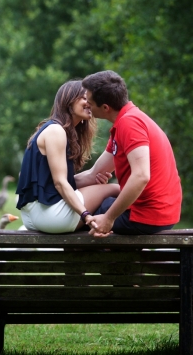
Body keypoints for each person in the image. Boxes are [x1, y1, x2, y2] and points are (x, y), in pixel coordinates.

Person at [77, 70, 182, 237]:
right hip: (153, 214)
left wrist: (109, 218)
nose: (87, 105)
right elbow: (94, 173)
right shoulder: (125, 122)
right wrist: (56, 183)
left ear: (105, 108)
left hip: (147, 216)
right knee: (88, 206)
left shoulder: (129, 124)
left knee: (80, 214)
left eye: (89, 102)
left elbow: (141, 176)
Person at [15, 80, 120, 233]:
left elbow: (51, 182)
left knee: (103, 190)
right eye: (84, 98)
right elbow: (59, 183)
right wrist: (85, 215)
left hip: (35, 216)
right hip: (51, 214)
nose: (89, 103)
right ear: (68, 101)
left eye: (90, 99)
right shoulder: (56, 131)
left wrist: (90, 179)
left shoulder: (53, 129)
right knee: (116, 189)